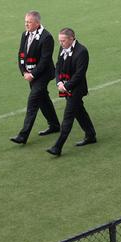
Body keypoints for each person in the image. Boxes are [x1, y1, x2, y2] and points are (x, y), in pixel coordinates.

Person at [10, 11, 60, 145]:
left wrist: (32, 75)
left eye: (29, 22)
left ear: (37, 23)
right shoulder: (25, 34)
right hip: (30, 74)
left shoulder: (46, 37)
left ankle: (23, 135)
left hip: (43, 74)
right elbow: (21, 54)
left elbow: (45, 60)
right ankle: (54, 125)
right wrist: (23, 71)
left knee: (33, 101)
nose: (26, 24)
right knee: (43, 99)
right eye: (25, 21)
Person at [47, 27, 97, 156]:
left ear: (71, 39)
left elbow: (79, 74)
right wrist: (59, 82)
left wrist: (66, 86)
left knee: (68, 116)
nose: (61, 43)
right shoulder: (63, 48)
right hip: (65, 87)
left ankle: (58, 147)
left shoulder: (82, 52)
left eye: (63, 41)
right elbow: (57, 65)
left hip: (76, 89)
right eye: (60, 41)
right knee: (79, 111)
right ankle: (91, 135)